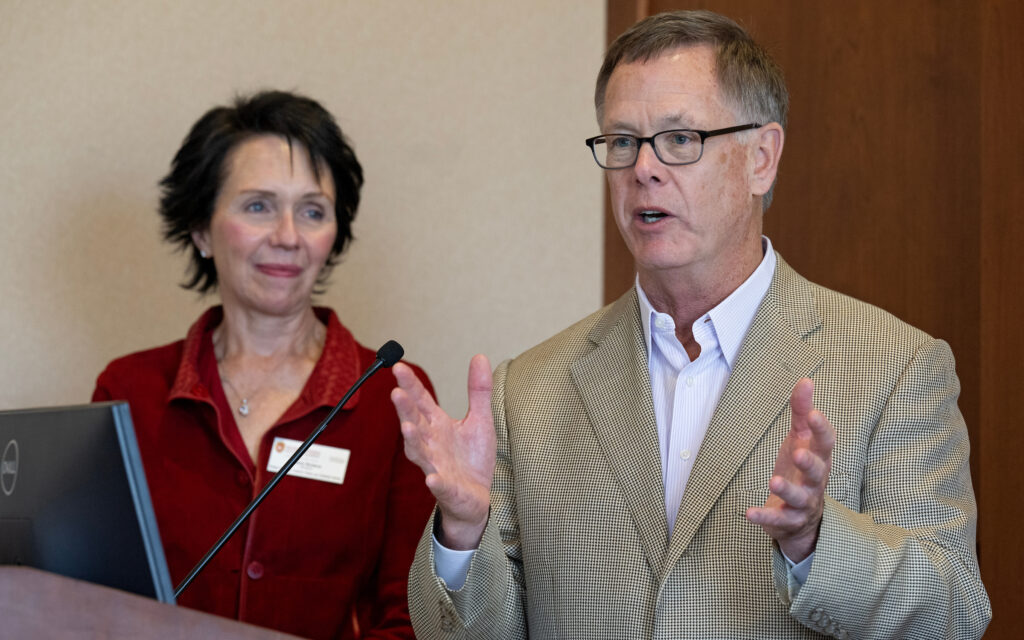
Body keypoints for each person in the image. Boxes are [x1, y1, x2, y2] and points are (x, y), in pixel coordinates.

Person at [391, 10, 991, 639]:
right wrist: (463, 531)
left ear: (762, 158)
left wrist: (816, 540)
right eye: (622, 141)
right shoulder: (529, 391)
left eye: (680, 140)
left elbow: (953, 614)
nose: (643, 168)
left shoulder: (895, 366)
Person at [93, 90, 434, 640]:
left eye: (312, 211)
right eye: (258, 206)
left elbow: (409, 611)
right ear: (201, 229)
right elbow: (94, 596)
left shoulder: (389, 394)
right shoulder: (126, 389)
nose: (288, 237)